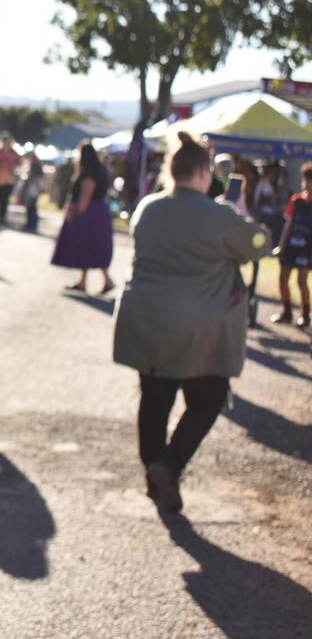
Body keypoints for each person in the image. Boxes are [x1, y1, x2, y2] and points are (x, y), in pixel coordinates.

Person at [113, 132, 269, 513]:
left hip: (146, 320)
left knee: (154, 398)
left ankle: (152, 471)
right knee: (208, 399)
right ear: (202, 172)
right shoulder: (218, 215)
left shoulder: (148, 208)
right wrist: (240, 213)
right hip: (199, 331)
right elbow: (258, 244)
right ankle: (170, 463)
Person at [51, 142, 115, 294]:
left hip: (90, 213)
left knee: (88, 246)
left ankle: (105, 280)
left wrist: (76, 213)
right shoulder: (99, 169)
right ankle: (85, 282)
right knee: (88, 249)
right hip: (98, 211)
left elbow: (85, 196)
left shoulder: (89, 173)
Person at [272, 161, 312, 326]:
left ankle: (305, 314)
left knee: (302, 281)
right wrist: (281, 245)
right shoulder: (296, 200)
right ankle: (286, 311)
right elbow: (288, 224)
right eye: (304, 180)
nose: (305, 183)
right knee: (283, 278)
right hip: (291, 246)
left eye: (308, 180)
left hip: (307, 248)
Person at [0, 133, 19, 225]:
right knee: (0, 199)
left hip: (9, 180)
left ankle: (3, 216)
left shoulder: (15, 154)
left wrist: (12, 166)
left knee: (5, 199)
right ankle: (0, 215)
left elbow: (18, 165)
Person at [17, 153, 45, 233]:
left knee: (32, 208)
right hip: (32, 190)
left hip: (33, 190)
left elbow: (37, 178)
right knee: (30, 208)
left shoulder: (35, 165)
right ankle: (29, 224)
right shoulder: (34, 165)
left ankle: (32, 225)